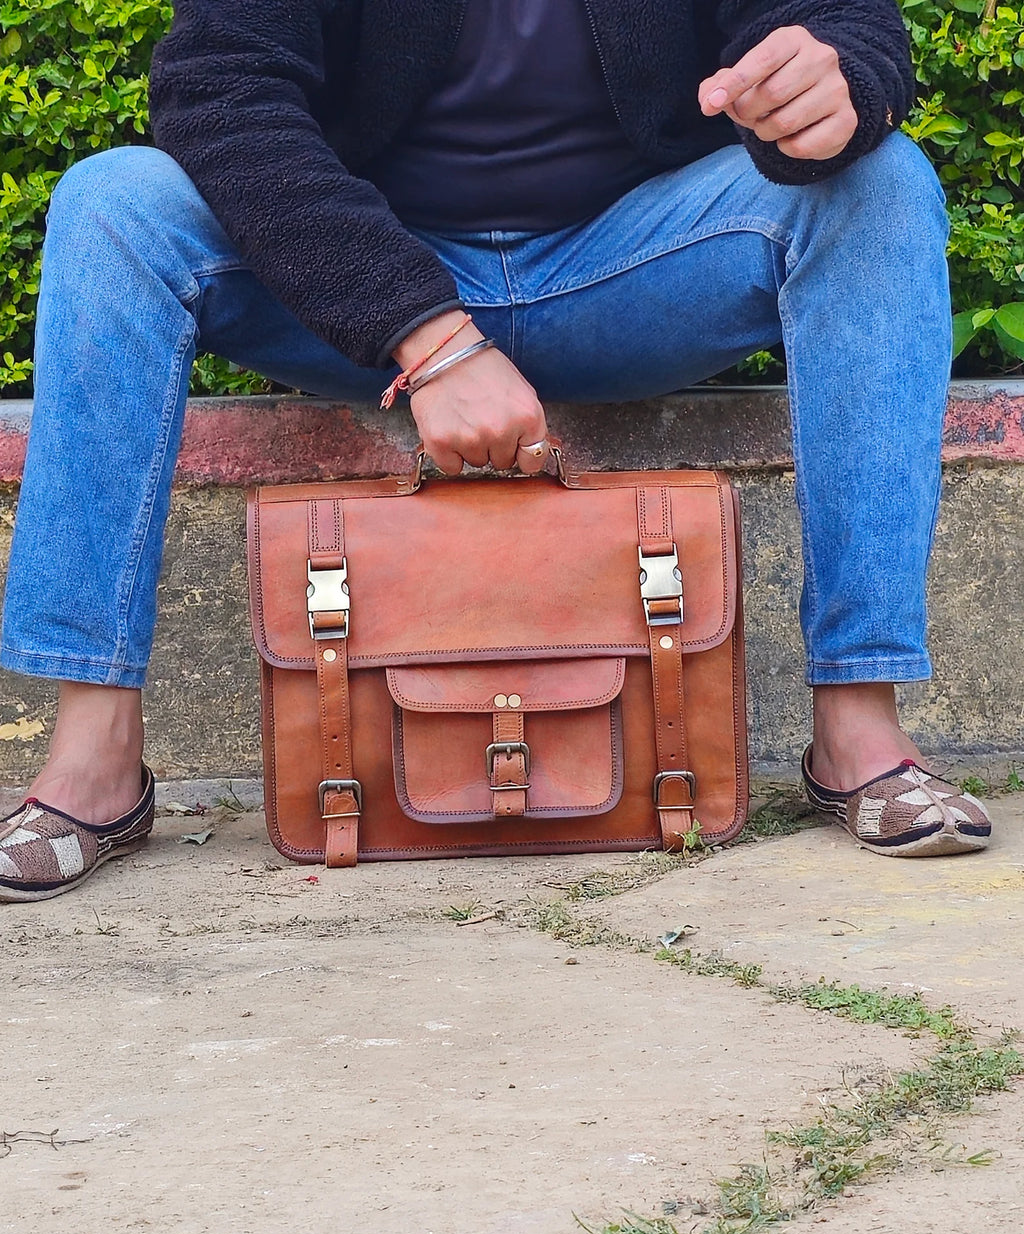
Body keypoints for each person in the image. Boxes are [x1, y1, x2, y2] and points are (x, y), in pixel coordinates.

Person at [0, 0, 991, 900]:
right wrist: (425, 333)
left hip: (635, 260)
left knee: (882, 183)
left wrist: (837, 78)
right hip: (368, 269)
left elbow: (839, 21)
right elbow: (220, 89)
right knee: (112, 204)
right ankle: (96, 753)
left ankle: (858, 724)